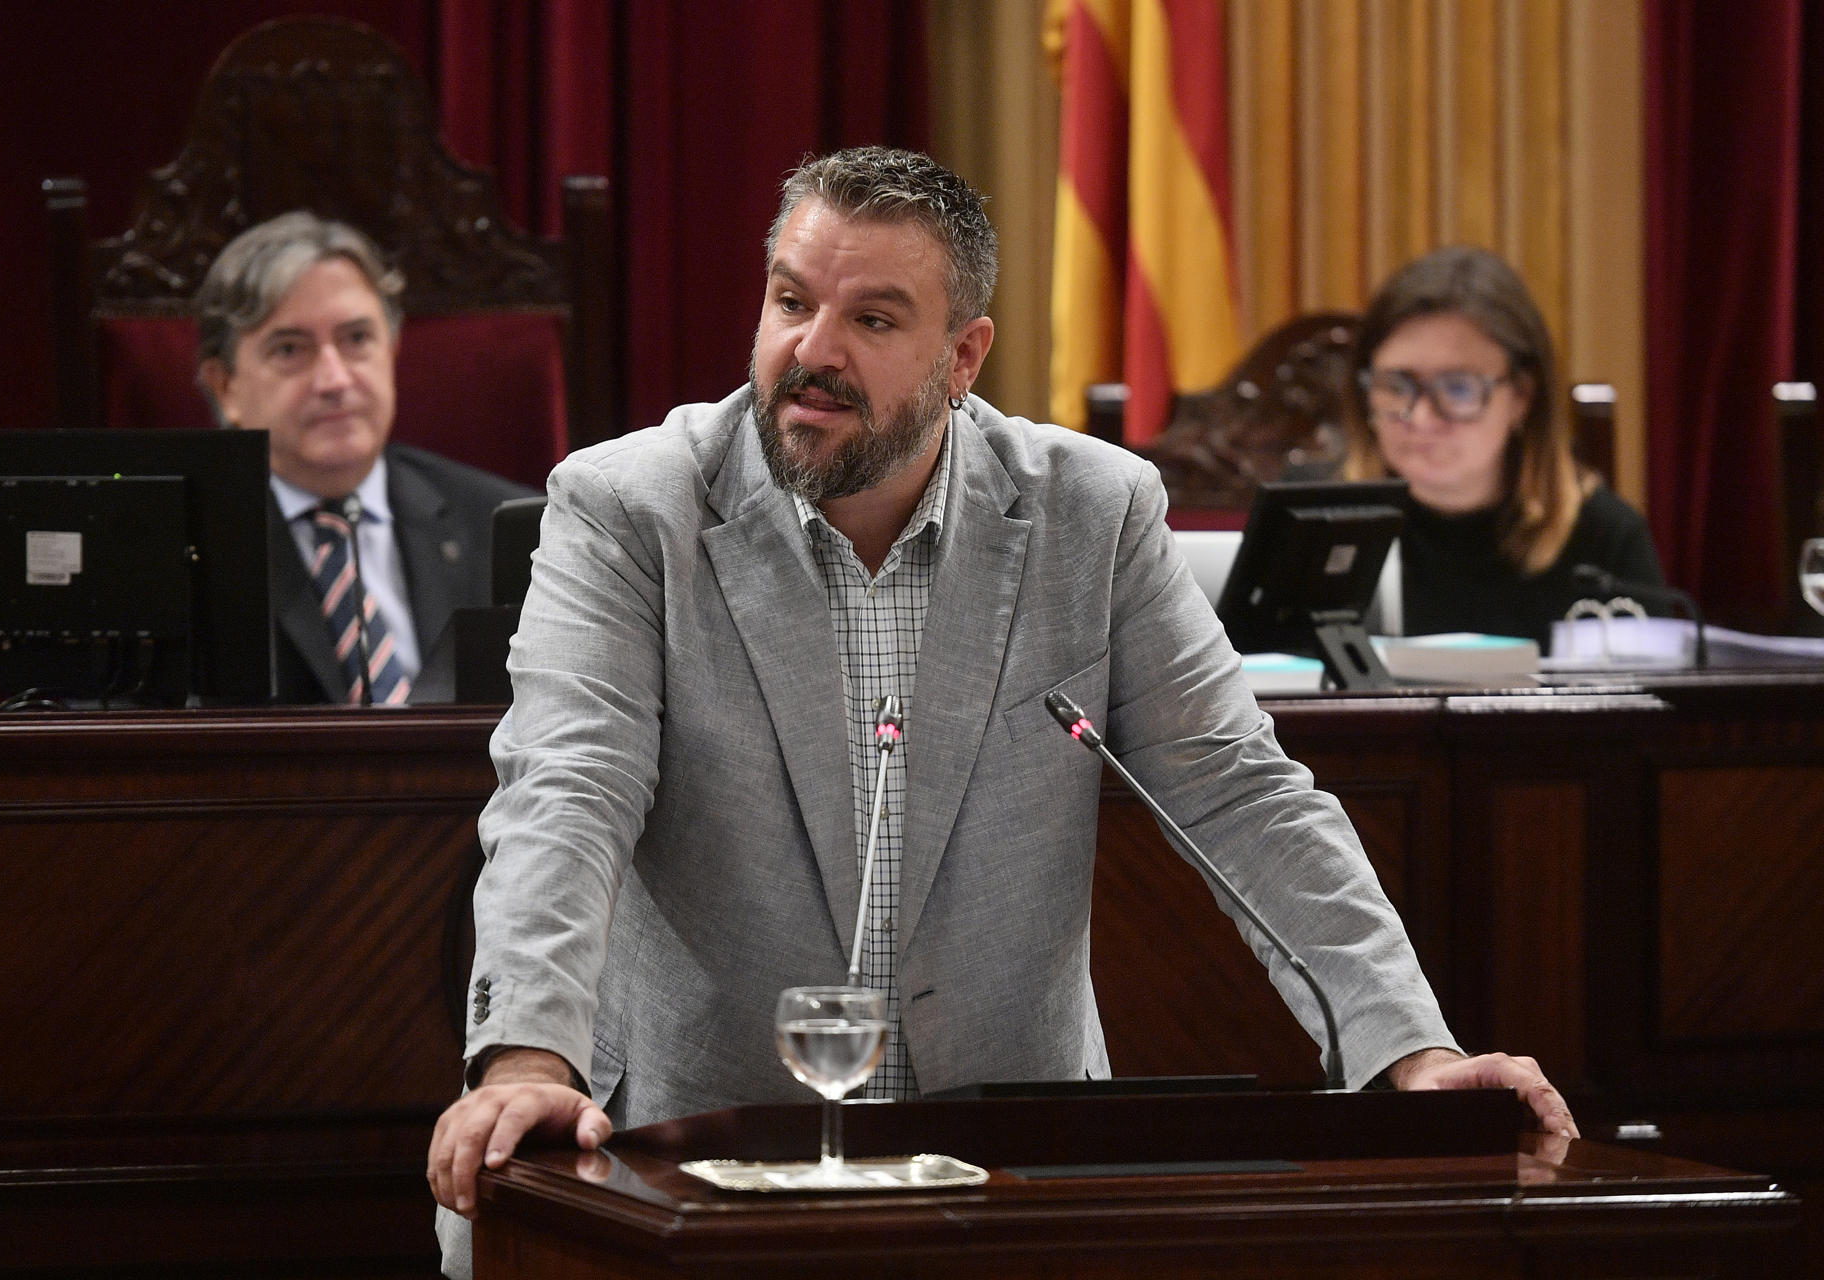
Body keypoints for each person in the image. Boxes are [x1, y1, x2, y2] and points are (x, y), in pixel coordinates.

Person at [427, 148, 1574, 1272]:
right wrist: (525, 1061)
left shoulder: (1094, 513)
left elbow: (1244, 796)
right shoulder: (630, 508)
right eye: (790, 300)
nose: (810, 353)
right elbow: (567, 790)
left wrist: (1409, 1052)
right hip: (702, 1157)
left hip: (1017, 1169)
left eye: (873, 320)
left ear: (964, 355)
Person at [195, 212, 536, 704]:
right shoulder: (191, 550)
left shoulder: (506, 526)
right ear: (225, 385)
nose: (335, 380)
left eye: (357, 339)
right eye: (290, 349)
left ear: (392, 350)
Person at [1337, 245, 1664, 645]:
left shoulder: (1606, 540)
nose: (1421, 417)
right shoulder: (1316, 524)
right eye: (1397, 385)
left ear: (1522, 396)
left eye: (1458, 388)